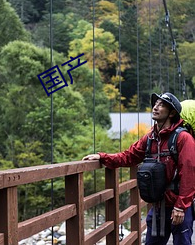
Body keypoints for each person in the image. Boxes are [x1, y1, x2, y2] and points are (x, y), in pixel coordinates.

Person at [82, 92, 195, 245]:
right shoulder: (150, 138)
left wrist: (181, 207)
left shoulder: (183, 138)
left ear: (172, 113)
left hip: (178, 206)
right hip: (158, 206)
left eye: (161, 105)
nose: (155, 107)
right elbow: (129, 156)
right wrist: (102, 157)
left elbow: (189, 173)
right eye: (155, 104)